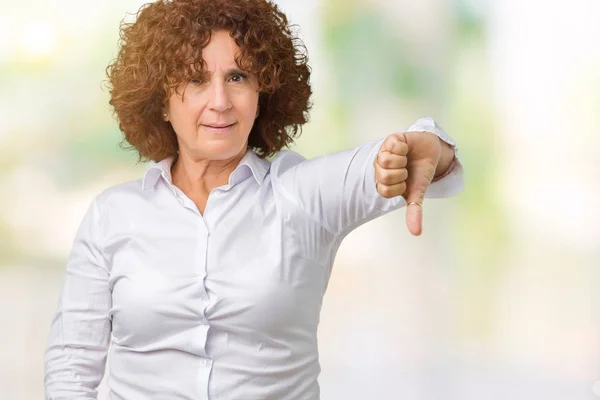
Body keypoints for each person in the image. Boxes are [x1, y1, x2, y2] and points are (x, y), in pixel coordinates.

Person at [44, 0, 463, 399]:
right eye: (196, 79)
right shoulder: (112, 216)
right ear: (162, 103)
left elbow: (414, 156)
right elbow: (71, 368)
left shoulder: (302, 195)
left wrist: (425, 147)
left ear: (263, 91)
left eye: (237, 77)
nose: (220, 102)